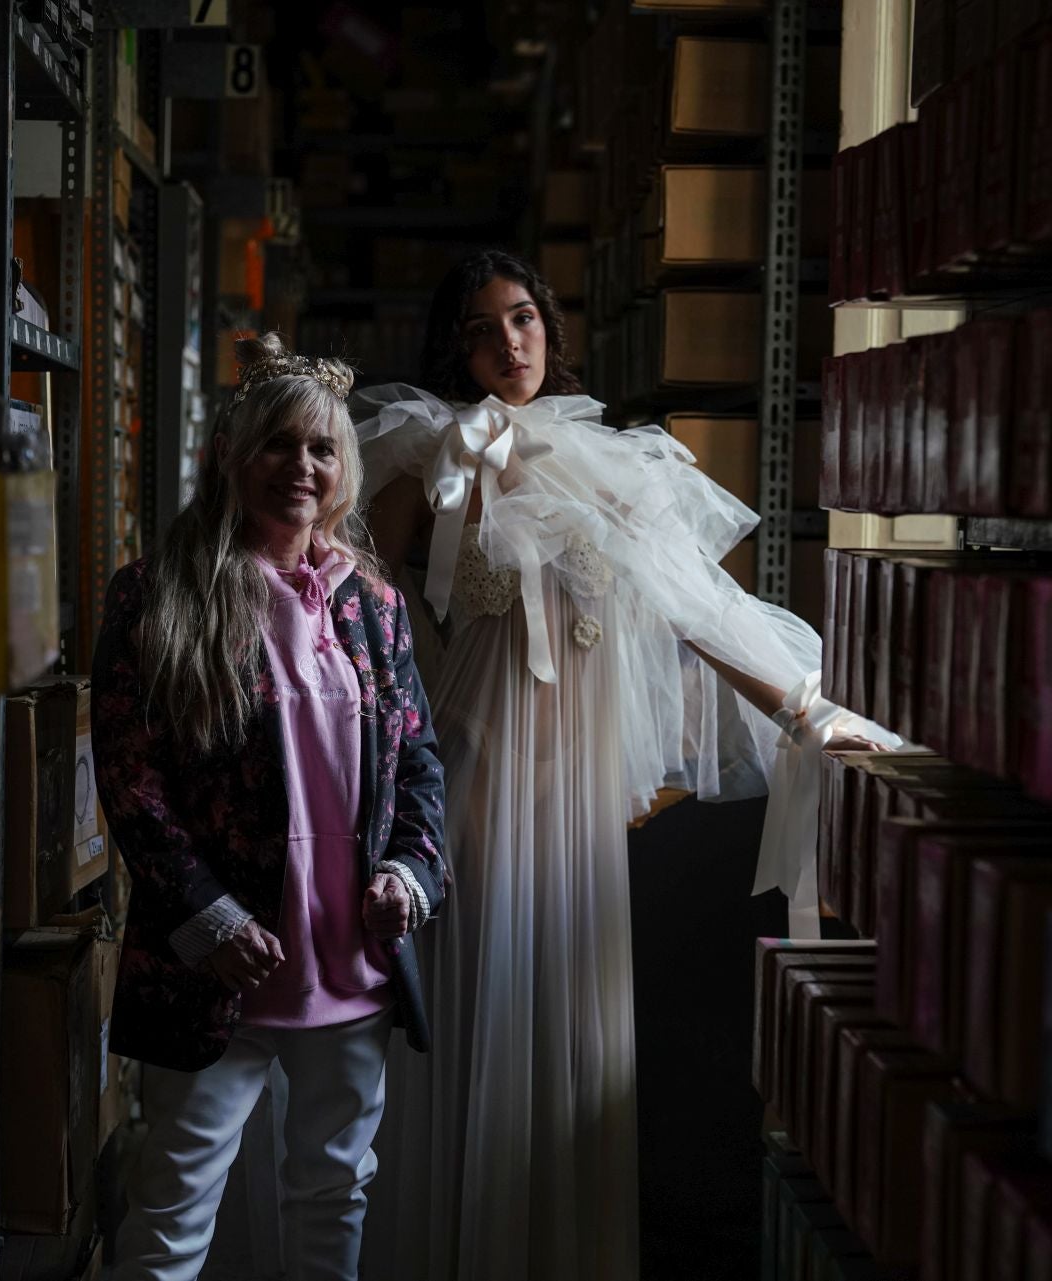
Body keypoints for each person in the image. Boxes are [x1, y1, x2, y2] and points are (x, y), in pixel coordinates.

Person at [354, 250, 894, 1281]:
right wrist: (402, 757)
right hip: (470, 769)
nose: (508, 344)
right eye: (481, 328)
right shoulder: (429, 452)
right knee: (470, 1005)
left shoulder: (617, 461)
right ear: (453, 347)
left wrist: (805, 712)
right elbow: (371, 629)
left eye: (522, 320)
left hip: (571, 793)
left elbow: (701, 612)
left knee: (566, 1012)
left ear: (550, 329)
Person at [91, 333, 447, 1281]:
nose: (303, 466)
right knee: (172, 1206)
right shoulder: (154, 595)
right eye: (280, 444)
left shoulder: (371, 602)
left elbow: (418, 762)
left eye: (323, 450)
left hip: (349, 963)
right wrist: (208, 916)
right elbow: (131, 780)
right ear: (233, 454)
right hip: (217, 969)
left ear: (344, 470)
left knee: (334, 1198)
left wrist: (410, 872)